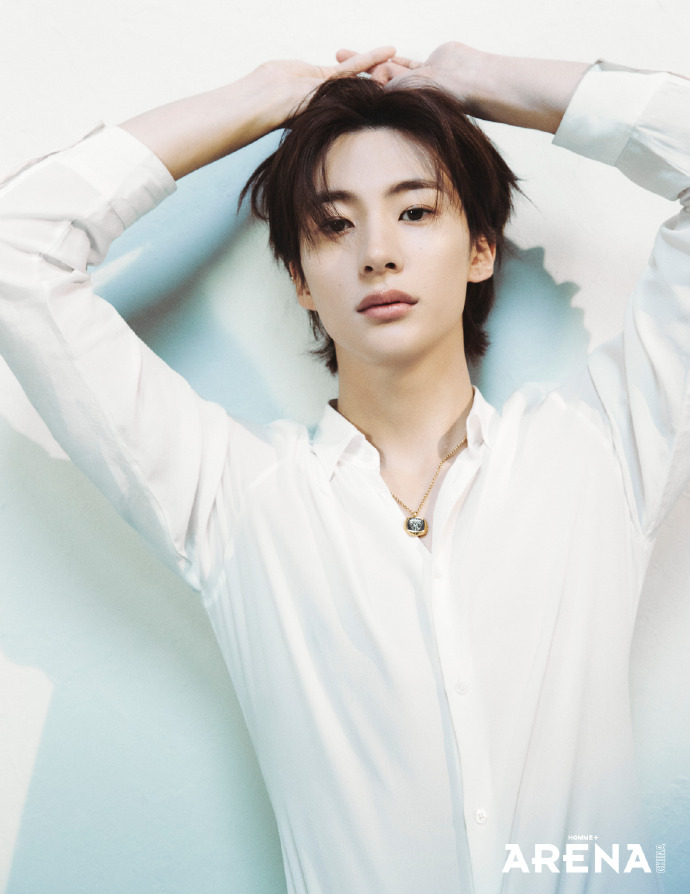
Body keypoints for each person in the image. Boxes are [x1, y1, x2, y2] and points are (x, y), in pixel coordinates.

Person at [0, 40, 687, 894]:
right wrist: (256, 98)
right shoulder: (237, 501)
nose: (377, 252)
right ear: (299, 277)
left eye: (415, 212)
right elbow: (15, 251)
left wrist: (483, 81)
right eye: (333, 224)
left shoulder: (600, 448)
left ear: (481, 248)